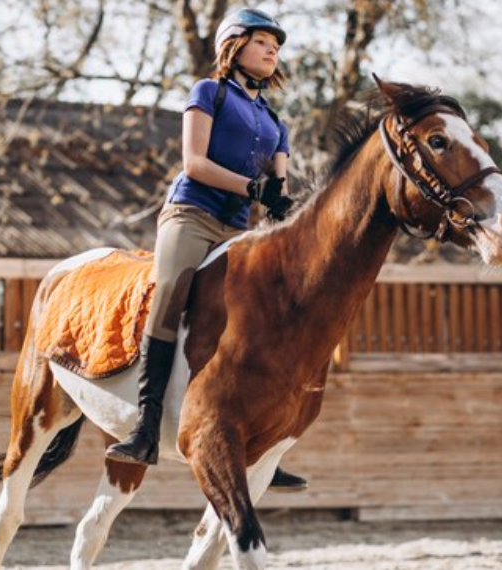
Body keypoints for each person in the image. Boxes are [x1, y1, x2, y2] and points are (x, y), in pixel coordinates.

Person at [105, 8, 307, 492]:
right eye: (262, 41)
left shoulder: (275, 121)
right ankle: (145, 426)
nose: (272, 49)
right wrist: (252, 189)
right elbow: (194, 164)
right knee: (170, 296)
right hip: (191, 215)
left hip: (237, 228)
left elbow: (276, 187)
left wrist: (284, 204)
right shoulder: (208, 92)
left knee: (263, 316)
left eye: (275, 45)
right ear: (234, 45)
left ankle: (263, 437)